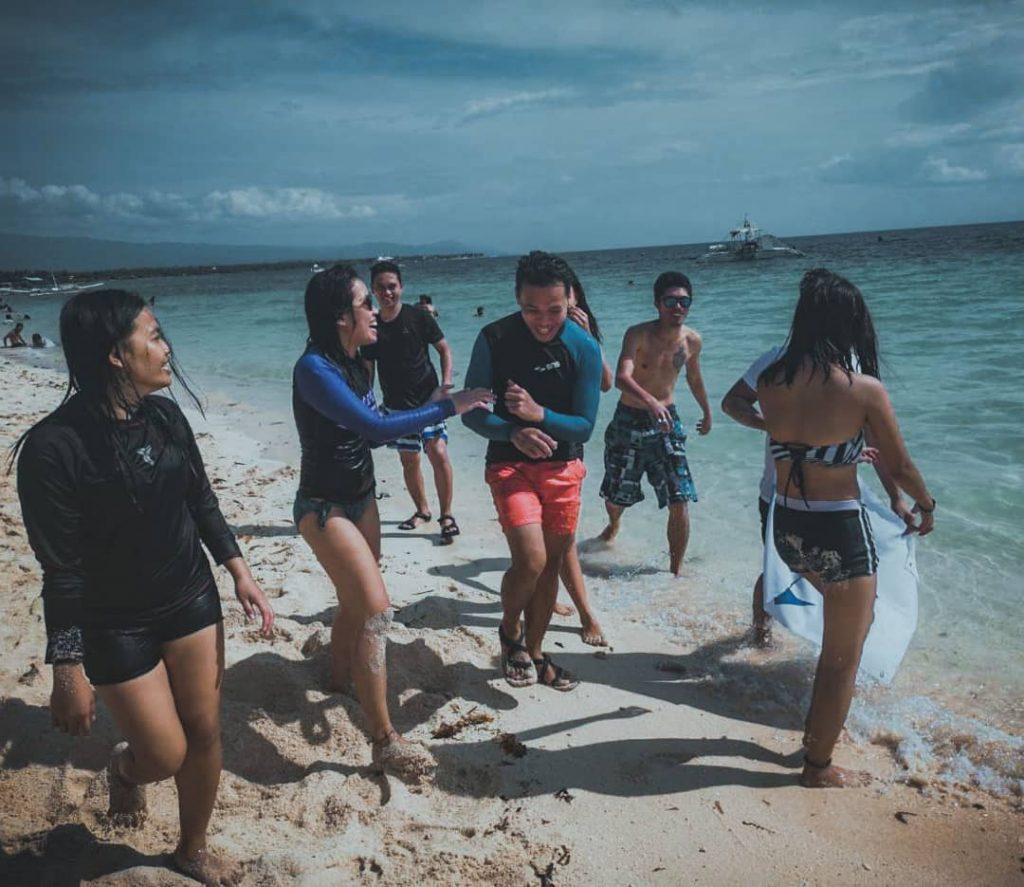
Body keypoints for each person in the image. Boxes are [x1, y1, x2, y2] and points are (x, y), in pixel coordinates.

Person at [14, 289, 274, 885]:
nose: (166, 347)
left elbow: (200, 501)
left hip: (189, 596)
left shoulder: (165, 417)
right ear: (115, 355)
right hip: (113, 620)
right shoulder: (54, 449)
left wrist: (240, 573)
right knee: (164, 753)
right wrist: (66, 668)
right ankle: (127, 774)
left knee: (205, 731)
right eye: (153, 335)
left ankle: (191, 848)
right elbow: (63, 570)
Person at [293, 265, 492, 776]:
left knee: (356, 605)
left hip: (362, 499)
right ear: (342, 317)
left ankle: (338, 682)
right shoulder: (315, 370)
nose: (375, 311)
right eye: (366, 304)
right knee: (378, 610)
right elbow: (376, 428)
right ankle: (383, 739)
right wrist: (449, 404)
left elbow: (378, 411)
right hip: (323, 507)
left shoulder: (355, 358)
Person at [756, 268, 935, 789]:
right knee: (842, 658)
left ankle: (815, 734)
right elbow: (899, 465)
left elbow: (801, 439)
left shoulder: (772, 382)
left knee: (839, 638)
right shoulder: (863, 390)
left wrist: (844, 451)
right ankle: (817, 766)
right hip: (838, 532)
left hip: (786, 525)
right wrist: (926, 504)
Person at [462, 250, 602, 691]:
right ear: (516, 299)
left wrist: (538, 414)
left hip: (563, 467)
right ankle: (509, 632)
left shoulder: (583, 346)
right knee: (533, 559)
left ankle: (537, 653)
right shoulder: (494, 338)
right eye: (531, 309)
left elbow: (585, 426)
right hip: (510, 465)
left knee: (553, 562)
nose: (543, 320)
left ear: (570, 300)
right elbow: (470, 413)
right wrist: (512, 432)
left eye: (554, 310)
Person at [722, 335, 915, 647]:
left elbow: (873, 435)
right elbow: (732, 402)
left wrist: (896, 496)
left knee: (844, 582)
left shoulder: (851, 364)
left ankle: (835, 649)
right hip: (778, 494)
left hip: (838, 499)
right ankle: (761, 636)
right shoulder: (777, 359)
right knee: (776, 567)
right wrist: (775, 427)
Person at [598, 271, 711, 575]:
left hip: (667, 423)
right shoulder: (638, 334)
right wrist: (650, 401)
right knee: (616, 493)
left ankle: (676, 569)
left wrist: (707, 412)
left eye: (684, 301)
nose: (678, 307)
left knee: (680, 496)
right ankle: (614, 524)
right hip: (630, 419)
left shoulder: (692, 340)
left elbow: (695, 378)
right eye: (670, 301)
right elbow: (622, 377)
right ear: (657, 303)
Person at [362, 261, 461, 544]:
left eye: (392, 286)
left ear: (401, 287)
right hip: (396, 406)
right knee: (409, 461)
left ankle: (447, 515)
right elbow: (367, 369)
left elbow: (444, 349)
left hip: (428, 400)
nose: (387, 292)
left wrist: (445, 385)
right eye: (381, 287)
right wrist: (365, 404)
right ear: (374, 291)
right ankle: (422, 511)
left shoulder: (418, 317)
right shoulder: (372, 325)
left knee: (439, 454)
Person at [550, 259, 613, 647]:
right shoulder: (535, 330)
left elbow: (606, 383)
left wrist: (587, 336)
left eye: (567, 295)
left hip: (571, 444)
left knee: (563, 534)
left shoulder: (582, 331)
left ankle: (573, 605)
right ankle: (580, 609)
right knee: (557, 535)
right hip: (535, 443)